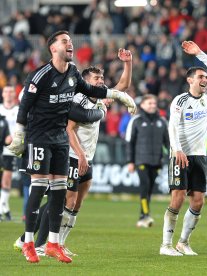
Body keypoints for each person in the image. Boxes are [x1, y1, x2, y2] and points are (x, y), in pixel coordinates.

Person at [7, 30, 136, 264]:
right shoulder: (41, 75)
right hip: (40, 137)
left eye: (71, 41)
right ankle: (27, 242)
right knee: (40, 187)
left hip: (59, 140)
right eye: (65, 41)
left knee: (59, 192)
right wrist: (19, 134)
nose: (70, 45)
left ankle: (54, 243)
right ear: (53, 48)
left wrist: (118, 95)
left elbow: (96, 91)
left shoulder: (73, 73)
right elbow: (25, 105)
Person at [60, 49, 133, 256]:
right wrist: (81, 155)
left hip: (87, 158)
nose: (101, 80)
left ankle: (62, 244)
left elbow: (123, 87)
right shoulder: (79, 100)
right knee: (69, 200)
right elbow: (69, 129)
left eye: (101, 77)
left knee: (78, 204)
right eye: (96, 78)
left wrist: (128, 63)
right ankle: (51, 243)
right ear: (86, 81)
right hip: (74, 156)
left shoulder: (100, 99)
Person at [13, 100, 108, 254]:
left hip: (72, 153)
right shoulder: (75, 96)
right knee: (55, 199)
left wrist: (112, 98)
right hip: (61, 152)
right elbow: (79, 117)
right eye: (97, 78)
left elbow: (119, 87)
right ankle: (39, 244)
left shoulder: (91, 96)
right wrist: (101, 111)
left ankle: (27, 240)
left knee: (60, 200)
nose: (100, 82)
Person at [160, 41, 207, 256]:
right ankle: (165, 245)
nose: (205, 79)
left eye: (205, 77)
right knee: (177, 198)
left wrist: (199, 53)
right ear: (190, 80)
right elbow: (172, 126)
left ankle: (183, 242)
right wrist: (177, 150)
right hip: (180, 154)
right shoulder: (180, 101)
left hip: (199, 155)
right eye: (200, 77)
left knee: (198, 201)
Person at [126, 94, 169, 228]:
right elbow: (129, 142)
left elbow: (168, 143)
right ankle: (146, 215)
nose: (152, 105)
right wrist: (130, 161)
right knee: (145, 186)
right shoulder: (136, 120)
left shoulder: (162, 121)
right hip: (141, 160)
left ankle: (141, 217)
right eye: (149, 103)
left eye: (154, 103)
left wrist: (170, 158)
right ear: (143, 105)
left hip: (156, 161)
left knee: (149, 189)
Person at [0, 85, 19, 221]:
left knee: (6, 179)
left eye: (11, 91)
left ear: (14, 94)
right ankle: (5, 209)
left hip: (11, 148)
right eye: (6, 91)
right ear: (3, 94)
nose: (8, 94)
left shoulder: (19, 110)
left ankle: (1, 210)